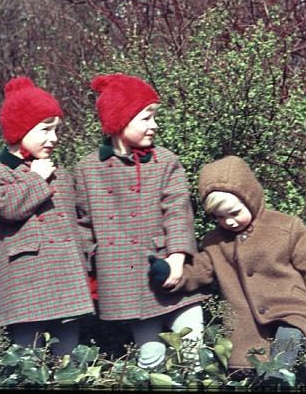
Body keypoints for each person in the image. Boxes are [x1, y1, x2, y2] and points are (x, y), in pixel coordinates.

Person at [149, 155, 306, 382]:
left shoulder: (286, 227)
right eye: (220, 217)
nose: (229, 222)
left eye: (234, 212)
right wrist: (172, 274)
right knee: (249, 374)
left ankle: (277, 378)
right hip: (246, 328)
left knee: (281, 362)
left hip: (292, 313)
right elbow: (200, 270)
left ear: (250, 198)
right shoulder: (214, 241)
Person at [73, 74, 207, 369]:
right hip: (123, 279)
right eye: (146, 117)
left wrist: (176, 257)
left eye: (154, 117)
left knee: (193, 345)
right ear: (121, 119)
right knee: (151, 357)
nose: (154, 125)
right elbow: (83, 228)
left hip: (168, 269)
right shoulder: (87, 169)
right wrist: (88, 276)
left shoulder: (166, 161)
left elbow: (177, 211)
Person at [0, 76, 95, 357]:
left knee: (69, 356)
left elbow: (79, 223)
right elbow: (6, 208)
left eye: (56, 130)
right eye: (45, 129)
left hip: (67, 277)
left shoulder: (61, 174)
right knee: (28, 357)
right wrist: (35, 179)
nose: (53, 138)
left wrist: (88, 262)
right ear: (20, 129)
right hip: (26, 281)